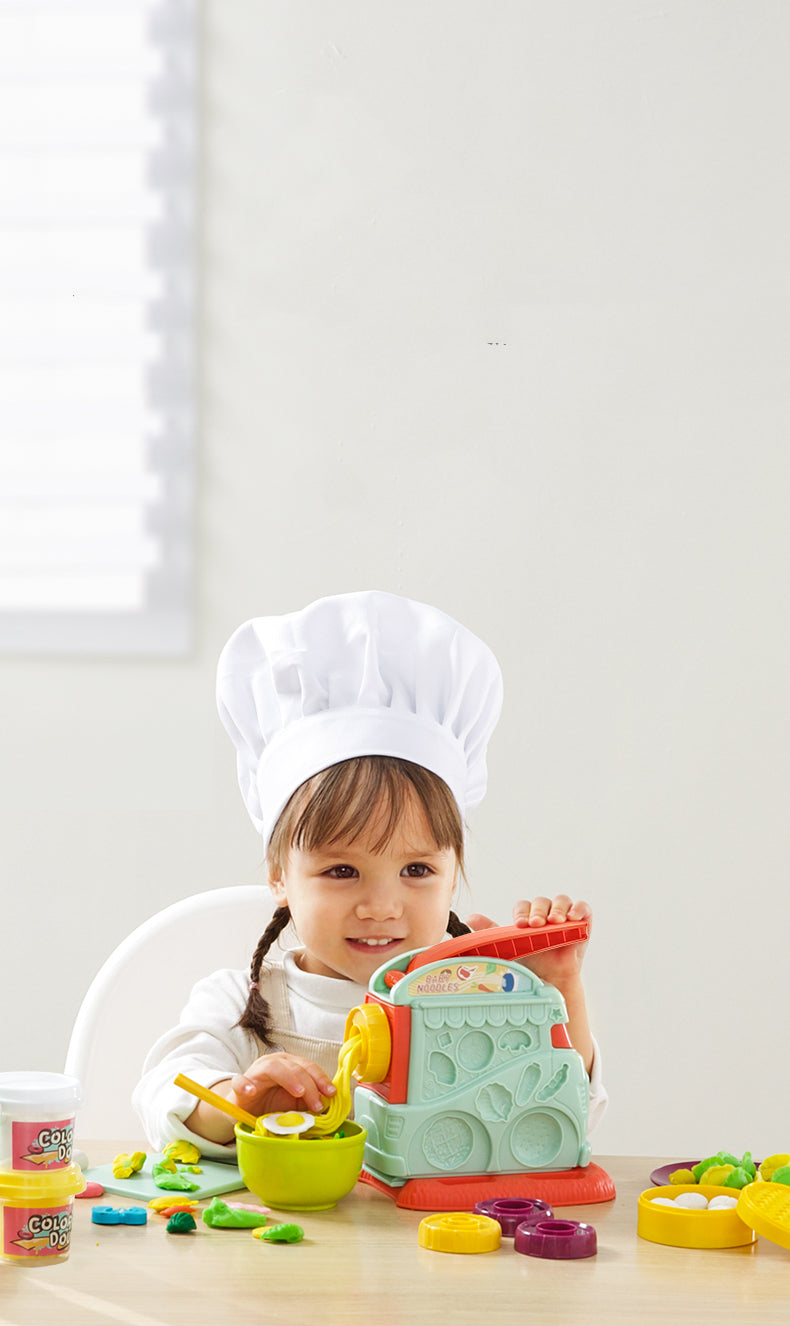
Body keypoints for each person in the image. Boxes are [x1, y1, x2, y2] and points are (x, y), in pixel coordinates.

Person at [133, 591, 607, 1157]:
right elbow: (165, 1094)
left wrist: (555, 993)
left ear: (453, 875)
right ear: (280, 874)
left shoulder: (480, 997)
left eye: (415, 869)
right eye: (340, 870)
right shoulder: (244, 1000)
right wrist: (236, 1100)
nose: (381, 905)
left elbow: (559, 1113)